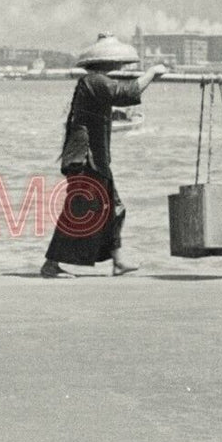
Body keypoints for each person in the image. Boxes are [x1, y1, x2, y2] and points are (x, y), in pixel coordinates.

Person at [42, 34, 167, 278]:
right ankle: (51, 264)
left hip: (95, 160)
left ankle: (118, 260)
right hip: (85, 159)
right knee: (79, 210)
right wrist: (152, 73)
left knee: (114, 207)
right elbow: (125, 93)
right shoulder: (95, 81)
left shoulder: (94, 82)